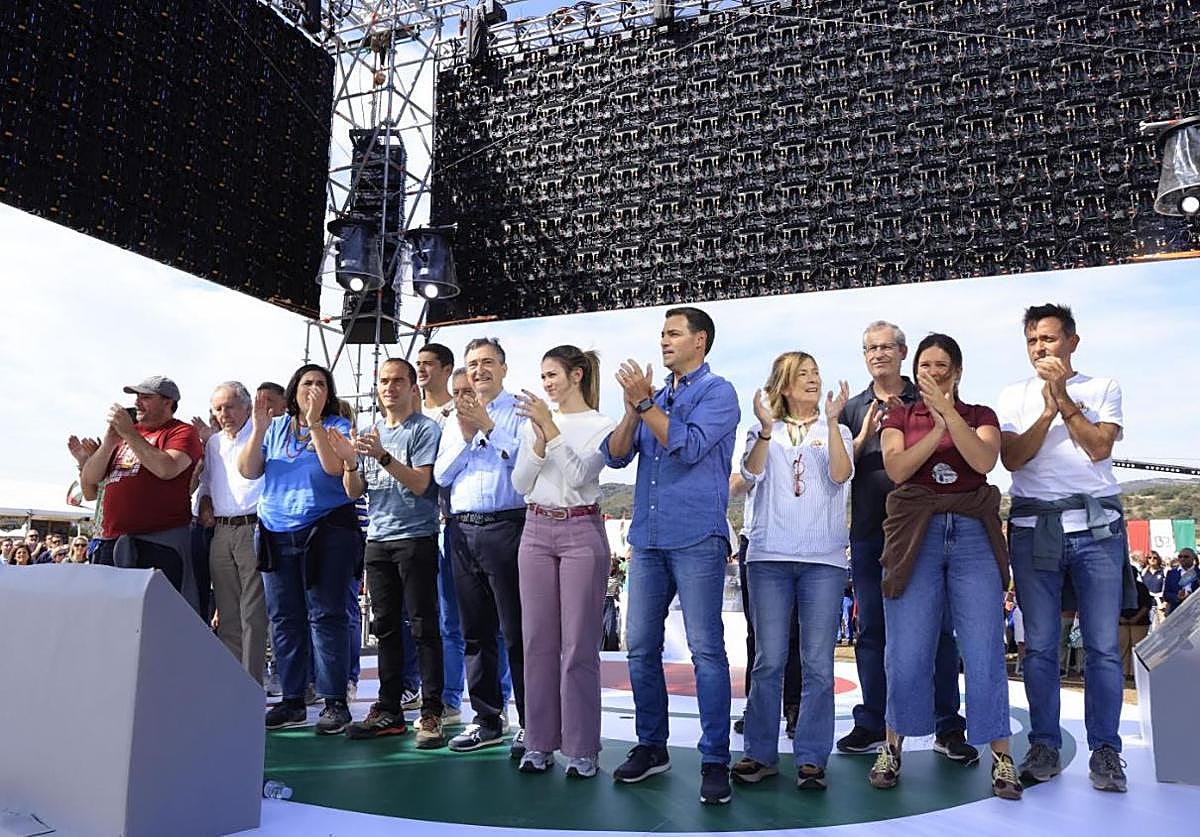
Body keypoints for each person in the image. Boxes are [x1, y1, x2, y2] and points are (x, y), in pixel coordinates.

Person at [867, 333, 1020, 801]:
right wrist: (934, 429)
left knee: (983, 649)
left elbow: (984, 459)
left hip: (972, 532)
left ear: (957, 370)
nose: (933, 372)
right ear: (917, 372)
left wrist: (949, 414)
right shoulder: (898, 416)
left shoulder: (981, 416)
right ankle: (892, 745)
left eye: (942, 365)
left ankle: (1001, 756)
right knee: (907, 650)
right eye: (926, 365)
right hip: (917, 532)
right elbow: (897, 469)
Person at [601, 306, 740, 805]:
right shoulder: (651, 398)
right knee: (639, 648)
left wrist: (645, 406)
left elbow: (686, 445)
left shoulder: (719, 392)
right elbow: (615, 455)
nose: (663, 340)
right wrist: (631, 407)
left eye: (674, 333)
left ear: (699, 341)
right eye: (661, 333)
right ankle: (652, 745)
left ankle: (714, 758)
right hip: (649, 539)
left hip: (697, 537)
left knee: (706, 652)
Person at [998, 303, 1130, 793]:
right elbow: (1011, 458)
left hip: (1096, 529)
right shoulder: (1013, 396)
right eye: (1033, 341)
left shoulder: (1103, 387)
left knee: (1102, 648)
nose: (1040, 348)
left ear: (1072, 342)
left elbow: (1099, 447)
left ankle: (1107, 751)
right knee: (1040, 648)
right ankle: (1044, 743)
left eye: (1049, 339)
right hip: (1035, 527)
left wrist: (1064, 399)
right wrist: (1047, 408)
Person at [837, 321, 971, 761]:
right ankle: (873, 721)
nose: (878, 354)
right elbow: (835, 472)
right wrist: (859, 439)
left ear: (902, 352)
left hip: (927, 532)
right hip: (870, 534)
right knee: (871, 630)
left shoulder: (928, 398)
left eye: (886, 347)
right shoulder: (851, 408)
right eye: (869, 347)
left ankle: (947, 725)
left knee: (939, 632)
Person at [731, 351, 853, 791]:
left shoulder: (836, 429)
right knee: (769, 660)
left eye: (816, 372)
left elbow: (841, 475)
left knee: (819, 663)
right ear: (783, 385)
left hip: (823, 560)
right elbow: (750, 471)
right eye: (803, 374)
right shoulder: (763, 431)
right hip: (768, 557)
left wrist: (836, 423)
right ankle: (759, 753)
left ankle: (812, 756)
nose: (813, 379)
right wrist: (764, 429)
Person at [238, 364, 364, 735]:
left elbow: (331, 469)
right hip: (276, 532)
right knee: (284, 618)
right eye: (307, 382)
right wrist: (259, 428)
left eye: (321, 384)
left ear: (330, 393)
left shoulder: (337, 427)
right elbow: (248, 470)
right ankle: (292, 700)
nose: (313, 389)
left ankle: (333, 701)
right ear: (294, 389)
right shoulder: (275, 428)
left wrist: (313, 424)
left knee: (326, 616)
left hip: (324, 530)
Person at [510, 345, 616, 778]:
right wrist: (537, 441)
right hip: (534, 530)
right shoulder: (534, 424)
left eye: (553, 374)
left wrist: (550, 430)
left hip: (581, 531)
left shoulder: (601, 425)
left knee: (578, 646)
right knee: (537, 643)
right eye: (543, 376)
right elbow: (520, 483)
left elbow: (580, 476)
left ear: (576, 375)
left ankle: (582, 747)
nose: (547, 383)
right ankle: (538, 742)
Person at [344, 358, 447, 749]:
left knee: (423, 627)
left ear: (411, 387)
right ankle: (388, 708)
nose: (390, 387)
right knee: (384, 627)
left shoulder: (425, 429)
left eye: (398, 381)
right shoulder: (370, 433)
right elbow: (354, 491)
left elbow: (423, 484)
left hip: (416, 537)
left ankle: (432, 711)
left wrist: (384, 456)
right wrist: (352, 461)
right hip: (378, 539)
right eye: (384, 381)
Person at [434, 338, 529, 757]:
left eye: (488, 362)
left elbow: (526, 465)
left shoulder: (522, 411)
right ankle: (488, 718)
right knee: (475, 633)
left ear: (504, 369)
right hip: (460, 530)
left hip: (508, 526)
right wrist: (468, 432)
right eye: (472, 364)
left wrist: (488, 427)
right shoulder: (453, 419)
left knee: (517, 631)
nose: (479, 370)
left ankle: (532, 721)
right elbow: (440, 474)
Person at [80, 376, 204, 609]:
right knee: (112, 615)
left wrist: (130, 435)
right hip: (113, 542)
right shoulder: (125, 435)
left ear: (168, 402)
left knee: (160, 615)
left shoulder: (181, 432)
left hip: (160, 543)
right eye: (137, 397)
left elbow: (166, 468)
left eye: (146, 397)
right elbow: (90, 478)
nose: (137, 402)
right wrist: (108, 442)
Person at [196, 382, 268, 684]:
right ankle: (231, 684)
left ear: (246, 406)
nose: (224, 413)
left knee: (252, 612)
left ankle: (251, 684)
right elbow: (208, 483)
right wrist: (204, 504)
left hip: (253, 526)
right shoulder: (213, 443)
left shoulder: (262, 432)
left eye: (230, 406)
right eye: (218, 408)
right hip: (222, 531)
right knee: (227, 613)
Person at [1163, 548, 1198, 616]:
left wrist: (1192, 596)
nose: (1182, 559)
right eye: (1180, 556)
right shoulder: (1171, 573)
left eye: (1186, 557)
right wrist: (1177, 597)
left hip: (1195, 613)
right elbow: (1166, 594)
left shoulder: (1198, 573)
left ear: (1193, 557)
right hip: (1176, 612)